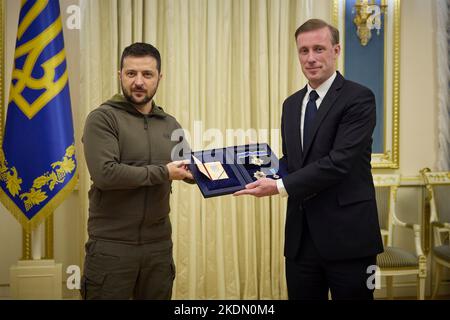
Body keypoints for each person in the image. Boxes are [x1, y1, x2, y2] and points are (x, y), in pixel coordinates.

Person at [234, 19, 383, 300]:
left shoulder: (359, 98)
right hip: (301, 241)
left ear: (336, 50)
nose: (311, 58)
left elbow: (339, 162)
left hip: (349, 239)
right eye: (304, 51)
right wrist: (244, 170)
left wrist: (278, 187)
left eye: (319, 49)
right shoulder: (291, 104)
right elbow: (293, 160)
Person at [81, 42, 193, 300]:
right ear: (119, 75)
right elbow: (106, 175)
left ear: (159, 78)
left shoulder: (170, 123)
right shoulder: (102, 118)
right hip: (112, 248)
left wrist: (232, 171)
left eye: (147, 74)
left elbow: (188, 167)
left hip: (159, 247)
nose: (139, 82)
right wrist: (164, 173)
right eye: (131, 73)